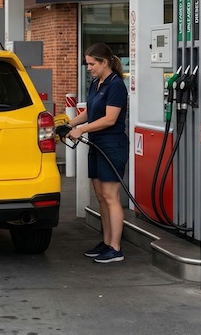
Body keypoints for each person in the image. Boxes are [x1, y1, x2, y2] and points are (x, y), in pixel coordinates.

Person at [67, 43, 129, 264]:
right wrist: (67, 123)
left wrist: (80, 130)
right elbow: (90, 113)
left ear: (105, 62)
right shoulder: (96, 83)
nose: (89, 68)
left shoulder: (116, 86)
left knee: (111, 197)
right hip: (96, 144)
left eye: (92, 64)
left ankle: (116, 247)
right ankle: (106, 242)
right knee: (101, 196)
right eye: (87, 64)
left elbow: (110, 119)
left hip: (112, 145)